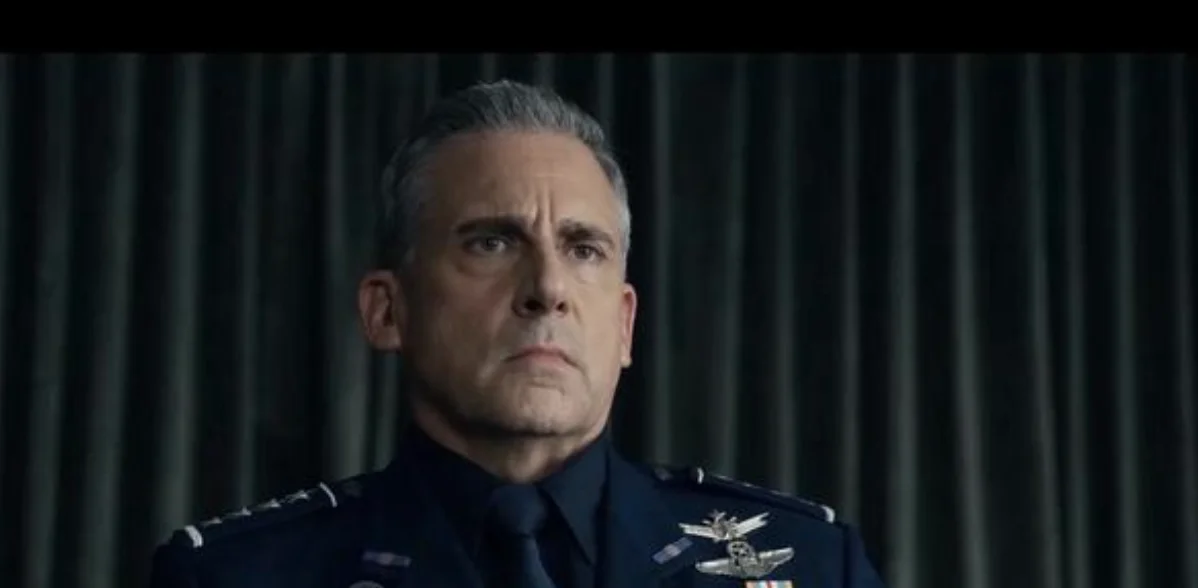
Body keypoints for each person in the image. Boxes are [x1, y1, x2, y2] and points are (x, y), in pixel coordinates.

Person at [148, 79, 888, 588]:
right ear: (386, 311)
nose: (548, 289)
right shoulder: (234, 576)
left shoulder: (813, 566)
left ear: (624, 323)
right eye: (492, 243)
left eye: (584, 249)